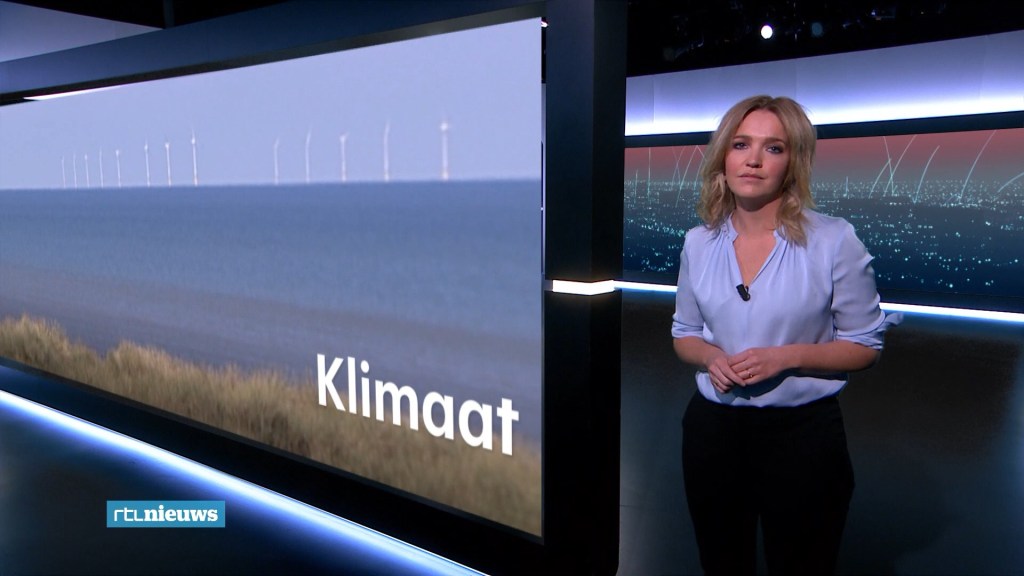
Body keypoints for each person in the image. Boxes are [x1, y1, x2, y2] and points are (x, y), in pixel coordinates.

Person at [671, 94, 900, 575]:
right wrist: (711, 358)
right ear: (723, 156)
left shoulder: (834, 240)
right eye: (740, 144)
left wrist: (784, 358)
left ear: (793, 162)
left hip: (803, 439)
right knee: (721, 563)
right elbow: (685, 334)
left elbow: (864, 346)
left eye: (773, 148)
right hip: (713, 433)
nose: (753, 159)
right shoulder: (698, 242)